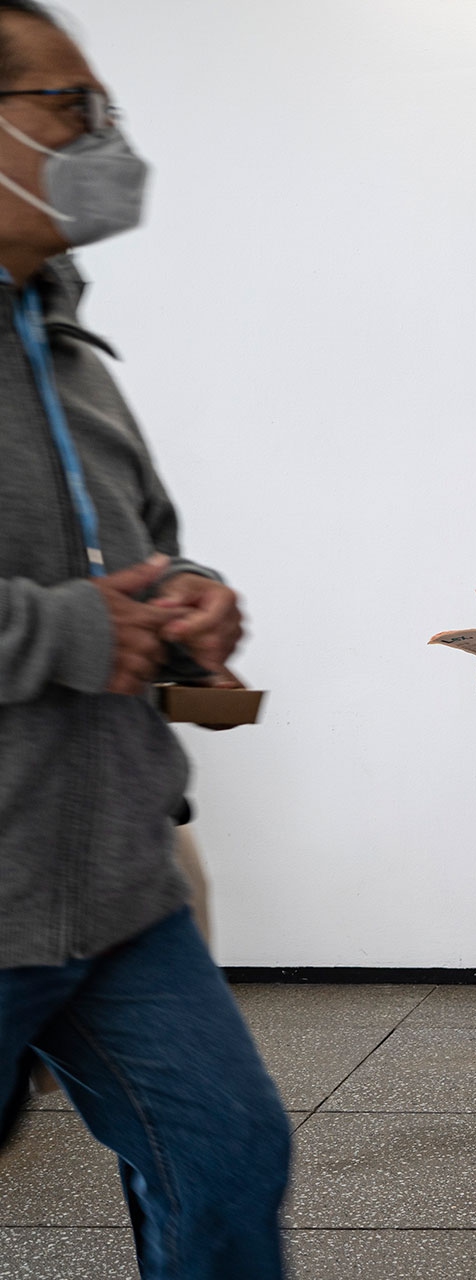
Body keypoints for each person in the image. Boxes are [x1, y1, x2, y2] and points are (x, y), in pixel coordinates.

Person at [0, 3, 291, 1276]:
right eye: (70, 108)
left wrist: (194, 604)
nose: (102, 138)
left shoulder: (72, 356)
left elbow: (152, 547)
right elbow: (72, 616)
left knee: (229, 1155)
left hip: (118, 890)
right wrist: (67, 630)